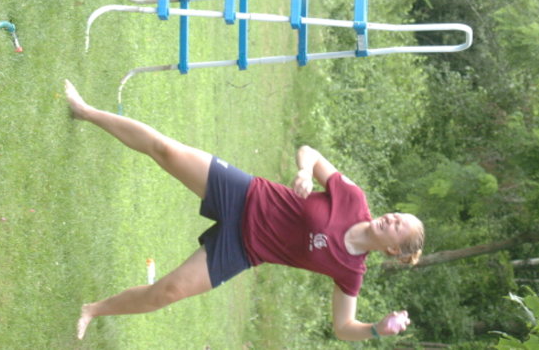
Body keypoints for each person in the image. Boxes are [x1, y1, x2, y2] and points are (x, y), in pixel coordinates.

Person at [64, 79, 424, 342]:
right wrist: (304, 171)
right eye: (397, 215)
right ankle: (85, 110)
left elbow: (343, 328)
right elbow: (310, 152)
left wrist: (376, 329)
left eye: (398, 226)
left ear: (393, 249)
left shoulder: (350, 272)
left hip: (244, 249)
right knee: (166, 150)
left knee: (167, 292)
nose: (391, 218)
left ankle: (92, 310)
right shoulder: (353, 199)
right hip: (245, 194)